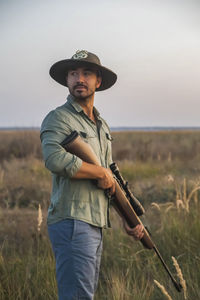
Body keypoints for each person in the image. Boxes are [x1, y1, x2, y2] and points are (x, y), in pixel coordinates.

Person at [40, 50, 144, 300]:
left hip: (95, 222)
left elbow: (110, 180)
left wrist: (127, 218)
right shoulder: (58, 118)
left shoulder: (101, 125)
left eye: (86, 73)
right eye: (73, 73)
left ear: (98, 81)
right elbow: (54, 159)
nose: (79, 79)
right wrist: (98, 171)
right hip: (72, 221)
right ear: (67, 80)